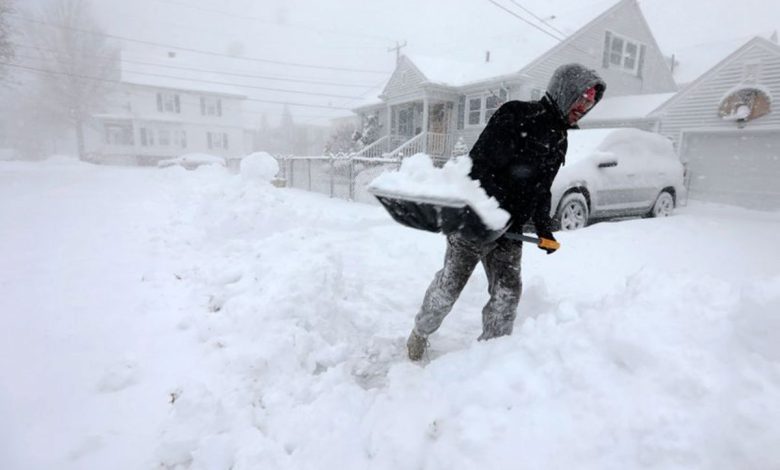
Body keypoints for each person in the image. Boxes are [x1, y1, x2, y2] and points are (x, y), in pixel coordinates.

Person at [407, 63, 606, 361]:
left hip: (509, 232)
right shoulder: (517, 114)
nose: (585, 105)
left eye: (590, 101)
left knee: (507, 295)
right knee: (449, 288)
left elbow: (542, 188)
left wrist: (543, 229)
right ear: (565, 91)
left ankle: (491, 357)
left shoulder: (560, 138)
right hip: (474, 222)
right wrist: (489, 213)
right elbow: (478, 165)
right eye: (582, 97)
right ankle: (420, 334)